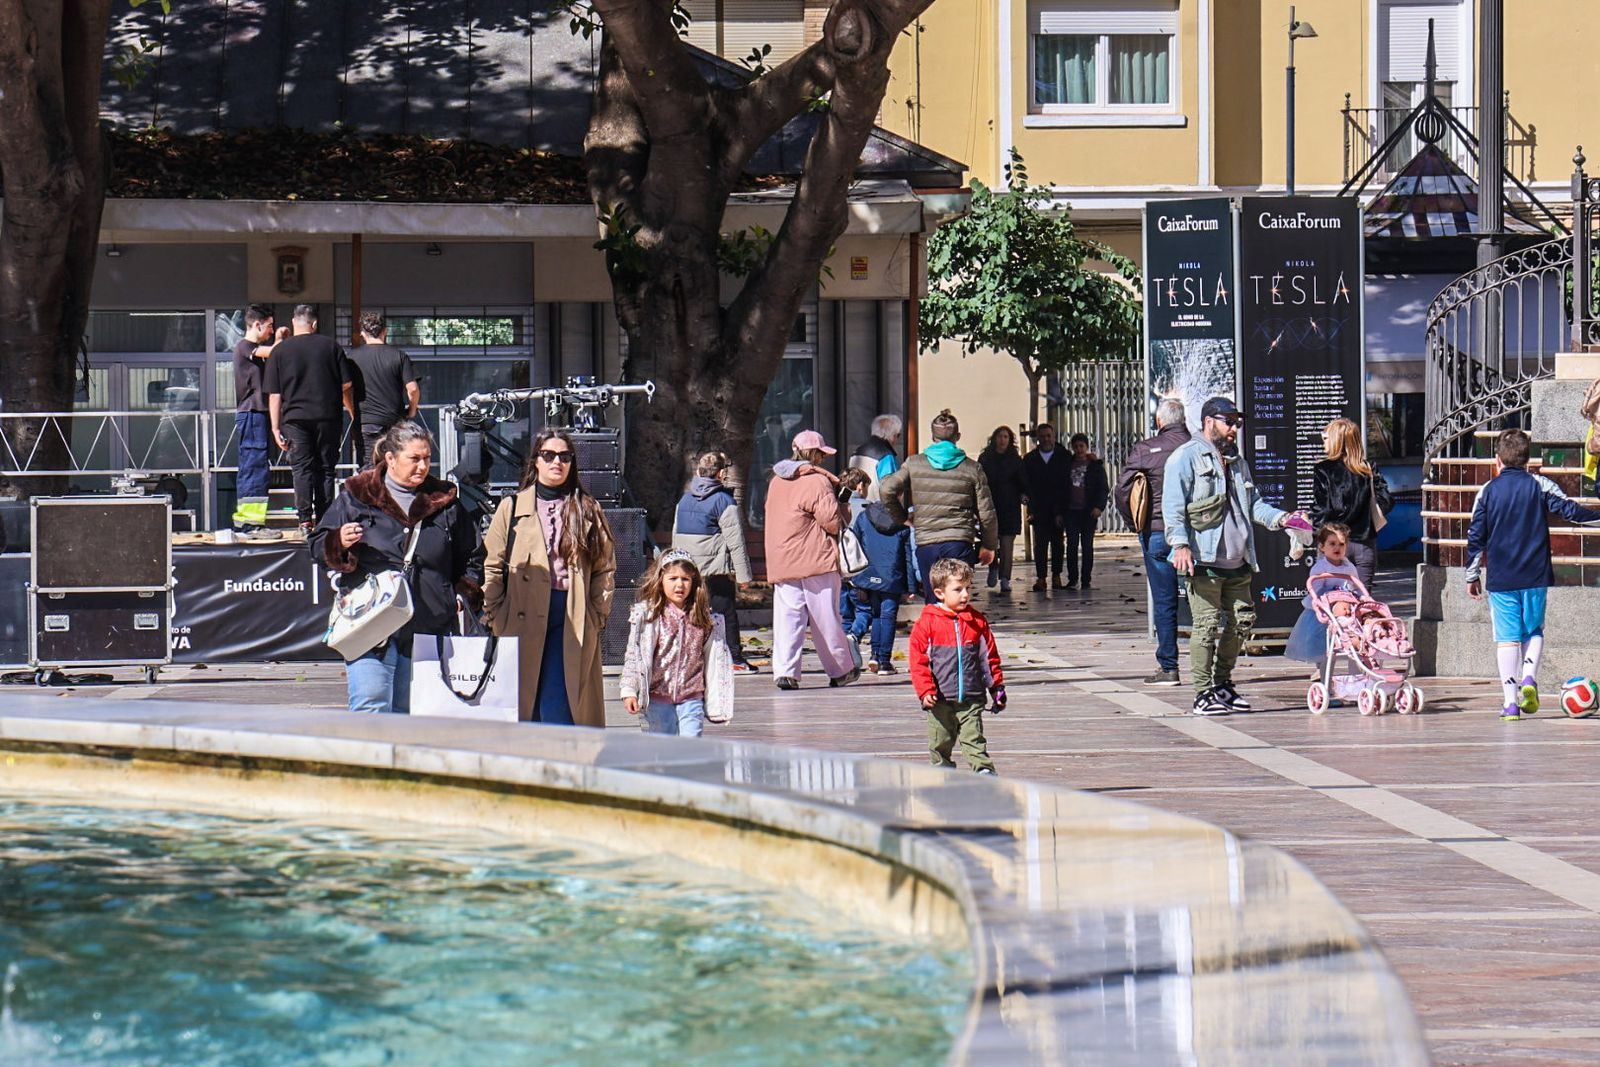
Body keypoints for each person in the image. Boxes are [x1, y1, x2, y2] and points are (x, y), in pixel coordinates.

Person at [311, 421, 484, 715]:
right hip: (370, 624)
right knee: (370, 705)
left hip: (427, 626)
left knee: (412, 714)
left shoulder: (446, 503)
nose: (422, 466)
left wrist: (461, 593)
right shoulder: (356, 496)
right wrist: (338, 540)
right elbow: (317, 547)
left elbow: (473, 556)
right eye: (414, 458)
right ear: (390, 458)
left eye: (427, 458)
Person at [1162, 396, 1305, 717]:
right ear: (1210, 421)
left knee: (1242, 622)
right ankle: (1202, 693)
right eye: (1229, 422)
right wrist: (1181, 544)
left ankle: (1222, 685)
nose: (1234, 429)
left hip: (1238, 560)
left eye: (1237, 423)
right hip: (1204, 560)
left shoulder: (1237, 462)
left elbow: (1254, 505)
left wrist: (1283, 519)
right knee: (1207, 625)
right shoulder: (1185, 458)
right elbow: (1172, 507)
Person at [482, 428, 617, 725]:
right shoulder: (512, 507)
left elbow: (604, 567)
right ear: (536, 461)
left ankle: (562, 765)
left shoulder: (587, 508)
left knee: (560, 702)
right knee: (522, 702)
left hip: (571, 613)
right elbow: (493, 563)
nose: (557, 462)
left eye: (564, 456)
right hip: (520, 614)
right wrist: (495, 613)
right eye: (549, 455)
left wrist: (597, 615)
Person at [1466, 428, 1600, 721]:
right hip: (1536, 574)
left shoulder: (1487, 492)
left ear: (1497, 460)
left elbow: (1476, 537)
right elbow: (1569, 510)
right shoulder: (1540, 485)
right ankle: (1529, 677)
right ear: (1528, 460)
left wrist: (1472, 576)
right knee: (1534, 630)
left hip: (1502, 578)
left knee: (1507, 639)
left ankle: (1510, 703)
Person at [763, 429, 861, 690]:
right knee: (825, 617)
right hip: (815, 557)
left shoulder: (776, 481)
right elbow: (831, 522)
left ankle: (786, 672)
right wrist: (844, 505)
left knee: (788, 618)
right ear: (815, 454)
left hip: (782, 559)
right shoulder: (817, 482)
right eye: (821, 454)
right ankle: (840, 669)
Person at [881, 409, 998, 602]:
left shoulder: (914, 463)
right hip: (959, 541)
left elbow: (887, 490)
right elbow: (987, 513)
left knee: (934, 599)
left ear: (932, 436)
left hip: (927, 542)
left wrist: (901, 517)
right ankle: (957, 632)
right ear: (958, 436)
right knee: (958, 599)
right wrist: (989, 545)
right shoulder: (972, 468)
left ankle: (935, 632)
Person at [1114, 398, 1191, 686]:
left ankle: (1169, 667)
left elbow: (1121, 489)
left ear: (1159, 421)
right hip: (1197, 534)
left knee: (1164, 600)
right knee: (1208, 599)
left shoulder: (1146, 450)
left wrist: (1134, 523)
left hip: (1157, 531)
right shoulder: (1198, 447)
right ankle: (1212, 668)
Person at [620, 551, 734, 737]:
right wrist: (629, 690)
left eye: (685, 579)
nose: (679, 584)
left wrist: (717, 699)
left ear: (694, 583)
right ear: (661, 581)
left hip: (692, 697)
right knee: (664, 749)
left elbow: (714, 659)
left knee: (690, 744)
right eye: (673, 578)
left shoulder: (703, 619)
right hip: (658, 698)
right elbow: (635, 655)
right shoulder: (649, 618)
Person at [908, 557, 1005, 774]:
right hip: (939, 699)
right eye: (958, 589)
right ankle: (943, 775)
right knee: (940, 742)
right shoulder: (927, 623)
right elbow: (918, 661)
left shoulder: (977, 621)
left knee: (974, 739)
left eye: (967, 588)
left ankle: (984, 772)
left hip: (971, 696)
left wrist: (997, 687)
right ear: (940, 593)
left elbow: (989, 658)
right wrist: (925, 690)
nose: (965, 595)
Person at [266, 304, 355, 536]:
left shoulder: (279, 351)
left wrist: (275, 427)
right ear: (314, 324)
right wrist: (351, 410)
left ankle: (305, 521)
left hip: (295, 419)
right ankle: (326, 519)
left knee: (301, 469)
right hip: (328, 416)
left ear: (294, 323)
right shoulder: (331, 347)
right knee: (325, 469)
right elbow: (346, 384)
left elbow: (274, 394)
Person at [671, 449, 756, 673]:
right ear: (720, 475)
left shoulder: (684, 499)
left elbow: (675, 534)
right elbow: (735, 540)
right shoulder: (724, 500)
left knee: (691, 612)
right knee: (725, 612)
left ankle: (690, 658)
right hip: (715, 570)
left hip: (689, 570)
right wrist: (744, 576)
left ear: (699, 472)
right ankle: (734, 658)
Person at [1311, 416, 1393, 591]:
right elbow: (1387, 499)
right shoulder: (1368, 468)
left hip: (1334, 541)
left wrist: (1315, 532)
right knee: (1363, 601)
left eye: (1326, 437)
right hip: (1364, 543)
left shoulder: (1323, 469)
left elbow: (1322, 508)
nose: (1323, 442)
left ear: (1336, 440)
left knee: (1331, 600)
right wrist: (1367, 518)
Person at [844, 486, 916, 675]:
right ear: (899, 496)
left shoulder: (863, 517)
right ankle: (884, 660)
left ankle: (875, 655)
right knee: (888, 616)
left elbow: (855, 547)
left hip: (868, 575)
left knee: (876, 614)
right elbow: (907, 556)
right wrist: (911, 586)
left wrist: (854, 577)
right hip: (892, 577)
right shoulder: (902, 523)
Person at [230, 303, 286, 540]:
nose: (271, 331)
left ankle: (248, 522)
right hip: (252, 415)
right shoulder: (245, 347)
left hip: (256, 416)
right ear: (257, 324)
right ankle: (251, 525)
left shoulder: (254, 349)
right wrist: (282, 340)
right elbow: (272, 352)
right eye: (269, 326)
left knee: (256, 467)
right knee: (254, 467)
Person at [347, 311, 420, 470]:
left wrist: (351, 410)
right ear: (385, 331)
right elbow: (412, 389)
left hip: (366, 421)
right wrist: (412, 410)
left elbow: (344, 388)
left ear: (362, 334)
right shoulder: (399, 356)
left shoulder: (352, 357)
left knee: (368, 469)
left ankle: (370, 494)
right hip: (395, 421)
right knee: (396, 467)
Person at [1285, 523, 1361, 668]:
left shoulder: (1349, 567)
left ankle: (1356, 667)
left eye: (1341, 544)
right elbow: (1316, 590)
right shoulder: (1320, 568)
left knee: (1352, 634)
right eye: (1332, 544)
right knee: (1322, 642)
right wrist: (1330, 598)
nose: (1337, 548)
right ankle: (1323, 668)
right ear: (1322, 547)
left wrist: (1357, 597)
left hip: (1344, 607)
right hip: (1325, 608)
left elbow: (1356, 586)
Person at [978, 426, 1026, 592]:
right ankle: (993, 568)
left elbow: (1023, 481)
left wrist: (1024, 494)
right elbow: (979, 480)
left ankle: (1005, 577)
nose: (1002, 440)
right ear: (994, 438)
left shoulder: (1015, 460)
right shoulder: (985, 458)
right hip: (990, 506)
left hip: (1010, 506)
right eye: (1000, 436)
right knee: (991, 542)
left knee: (1007, 545)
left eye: (1006, 437)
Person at [1021, 423, 1068, 591]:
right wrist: (1028, 503)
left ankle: (1056, 576)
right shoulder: (1029, 459)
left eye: (1049, 435)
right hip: (1038, 509)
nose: (1046, 439)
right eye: (1042, 436)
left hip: (1059, 509)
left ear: (1054, 436)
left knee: (1058, 543)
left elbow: (1067, 484)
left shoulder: (1064, 456)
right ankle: (1041, 578)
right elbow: (1024, 482)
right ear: (1038, 438)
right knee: (1040, 545)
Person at [1062, 432, 1109, 590]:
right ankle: (1072, 578)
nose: (1079, 449)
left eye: (1081, 446)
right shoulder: (1067, 464)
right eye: (1076, 447)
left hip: (1089, 511)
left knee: (1087, 546)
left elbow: (1103, 489)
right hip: (1071, 511)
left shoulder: (1095, 466)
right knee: (1072, 545)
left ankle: (1086, 579)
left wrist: (1099, 507)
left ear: (1087, 447)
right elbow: (1060, 489)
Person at [847, 413, 903, 502]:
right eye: (897, 435)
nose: (897, 439)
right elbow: (890, 490)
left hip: (855, 508)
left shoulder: (856, 452)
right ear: (891, 435)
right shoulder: (886, 456)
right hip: (878, 511)